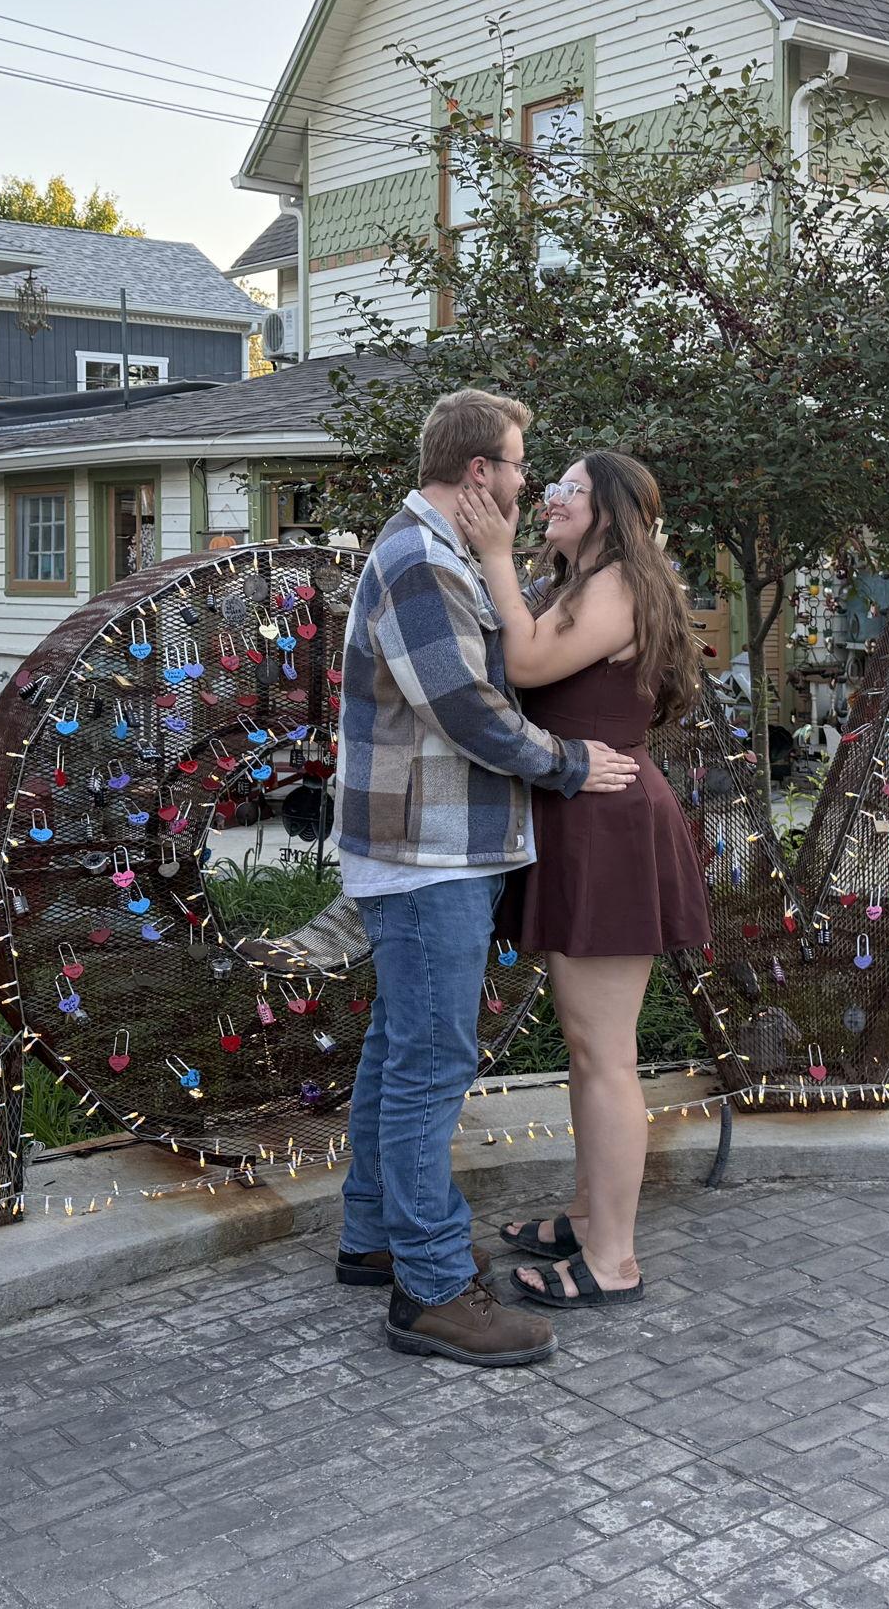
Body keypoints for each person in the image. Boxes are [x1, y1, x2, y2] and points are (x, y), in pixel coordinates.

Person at [333, 389, 641, 1367]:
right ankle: (430, 1288)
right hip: (427, 857)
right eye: (516, 463)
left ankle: (371, 1234)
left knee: (397, 1053)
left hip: (433, 852)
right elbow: (467, 709)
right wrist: (567, 762)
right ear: (479, 473)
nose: (524, 480)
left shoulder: (436, 554)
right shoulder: (419, 561)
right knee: (429, 1069)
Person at [453, 449, 709, 1309]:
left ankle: (613, 1259)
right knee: (588, 1049)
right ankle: (587, 1214)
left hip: (608, 827)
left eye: (567, 490)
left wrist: (494, 553)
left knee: (605, 1056)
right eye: (551, 486)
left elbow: (523, 666)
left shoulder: (616, 588)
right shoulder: (587, 583)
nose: (551, 499)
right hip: (583, 819)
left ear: (609, 511)